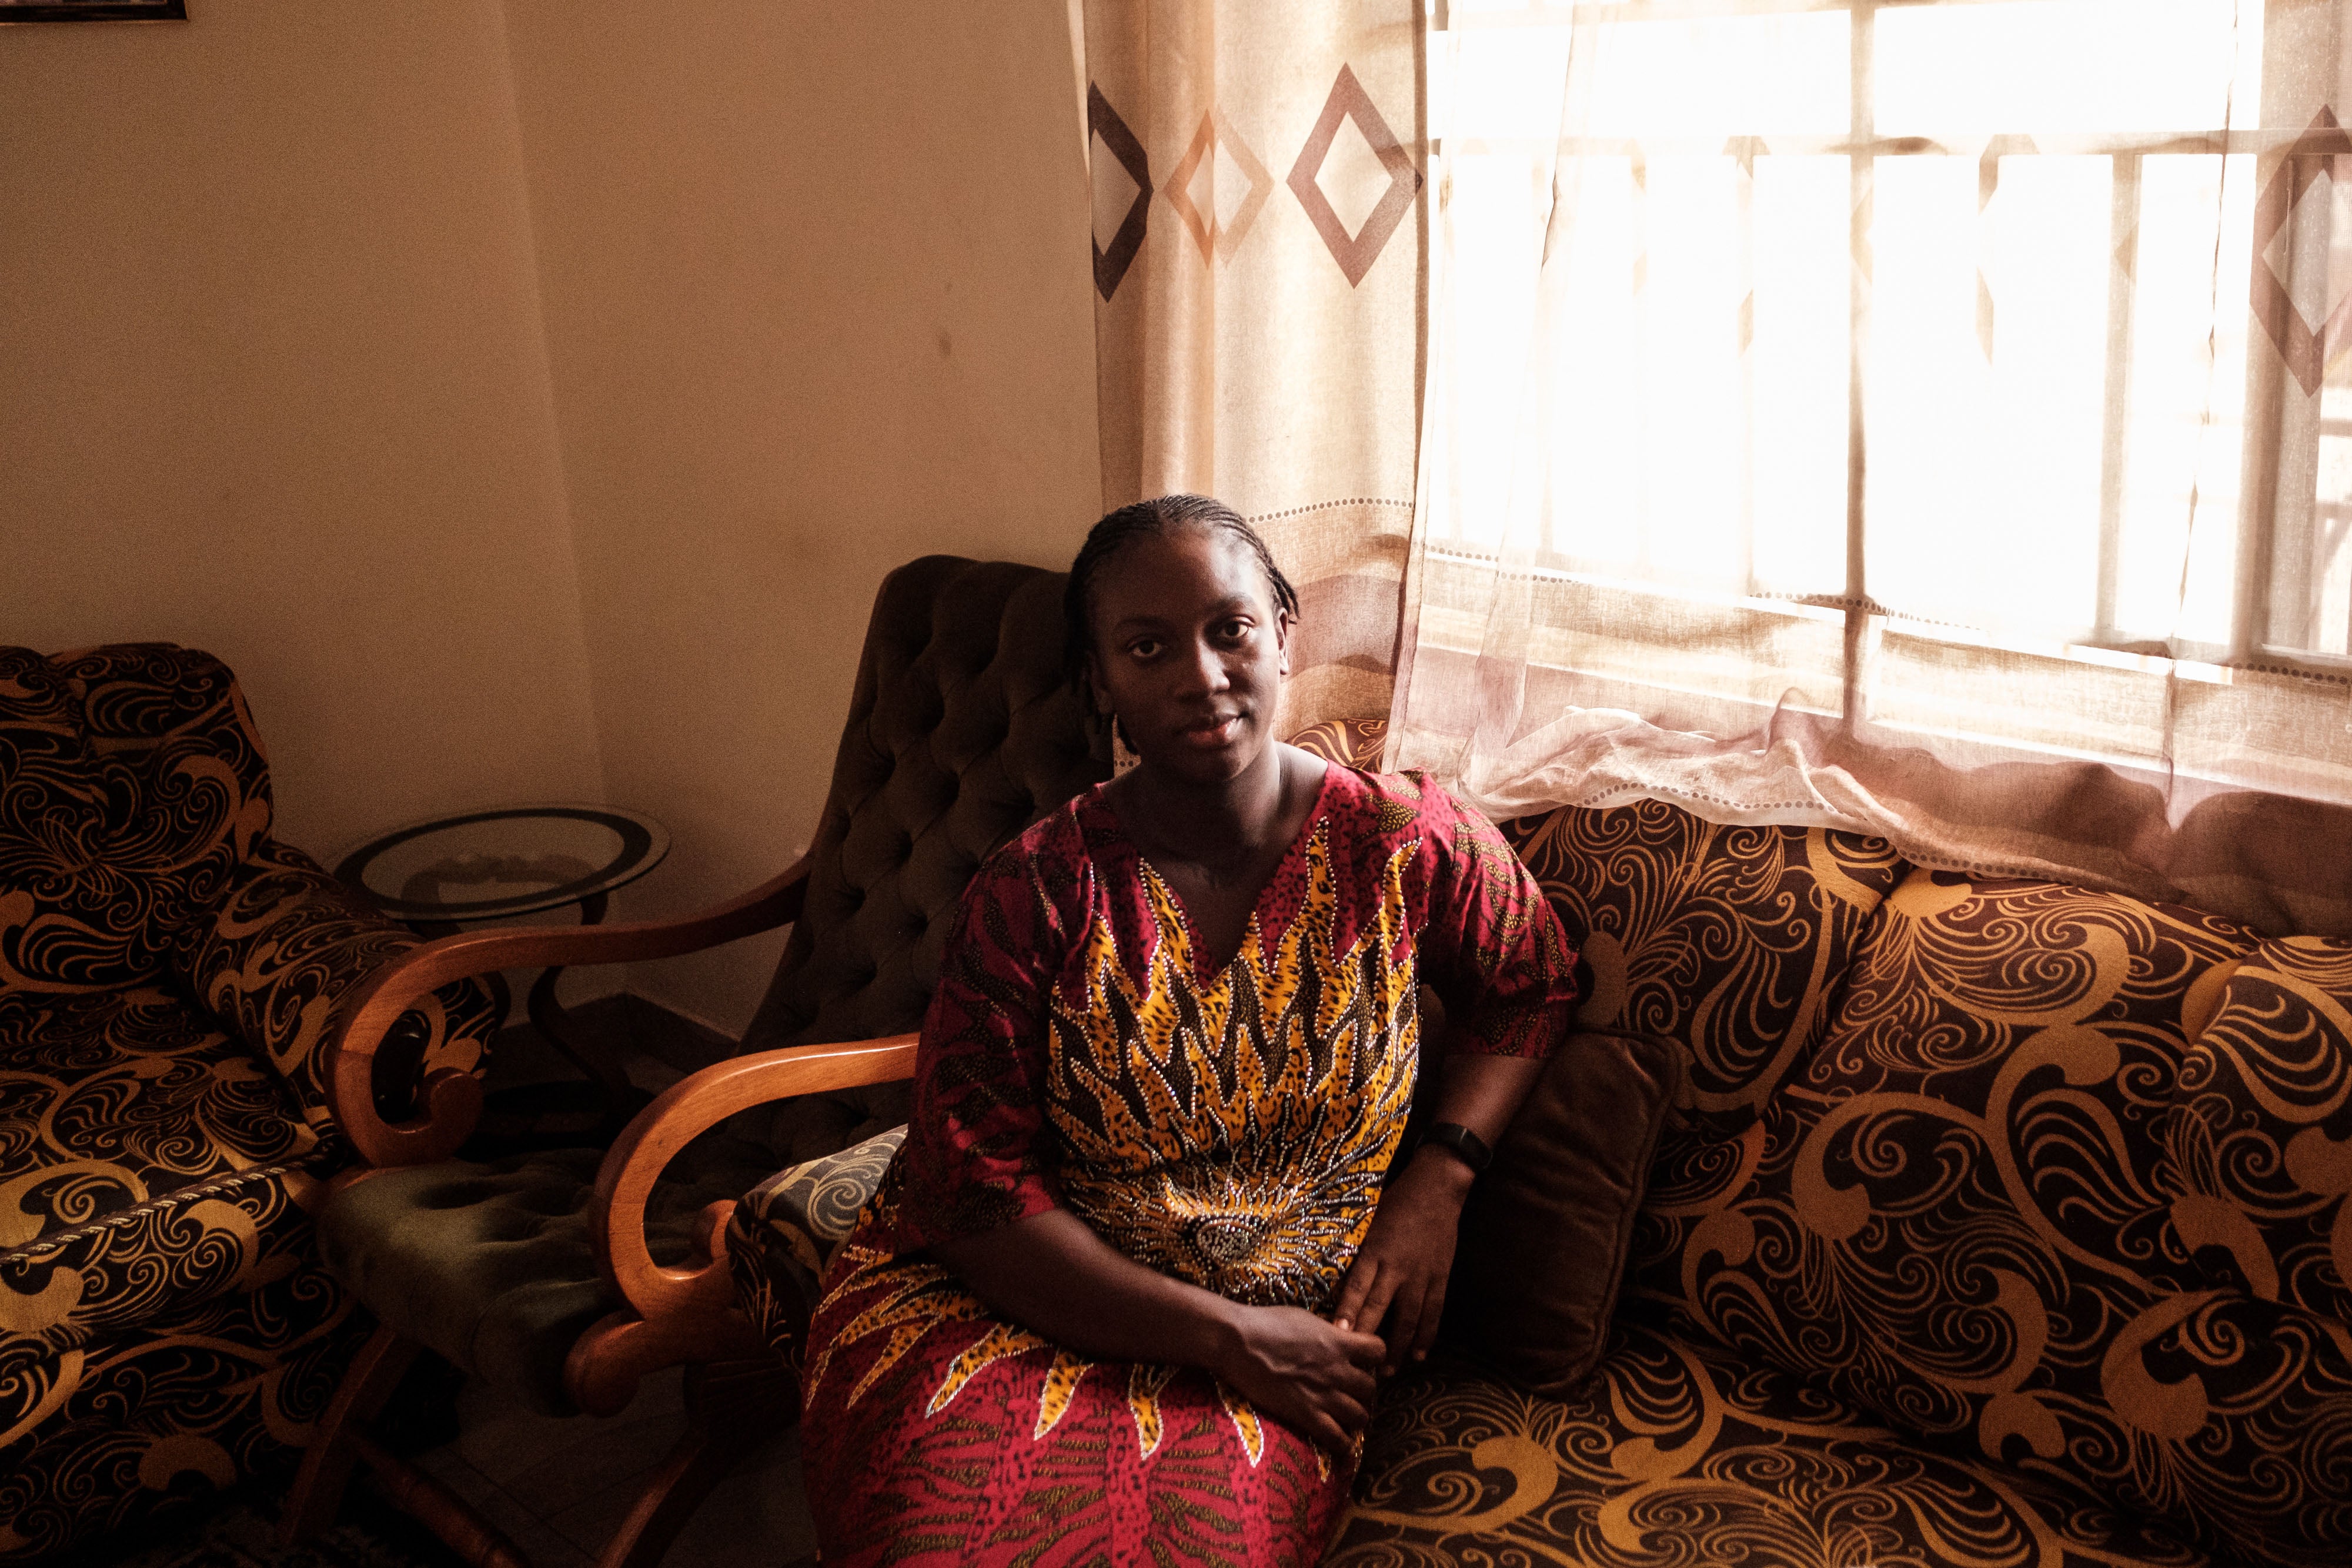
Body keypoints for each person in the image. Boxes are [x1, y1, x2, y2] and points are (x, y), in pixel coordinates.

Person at [795, 494, 1580, 1565]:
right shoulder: (1037, 891)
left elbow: (1528, 983)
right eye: (1148, 647)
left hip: (1285, 1338)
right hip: (1020, 1303)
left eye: (1232, 629)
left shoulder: (1401, 842)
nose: (1202, 677)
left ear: (1286, 636)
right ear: (1099, 683)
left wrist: (1439, 1180)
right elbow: (974, 1198)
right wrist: (1231, 1337)